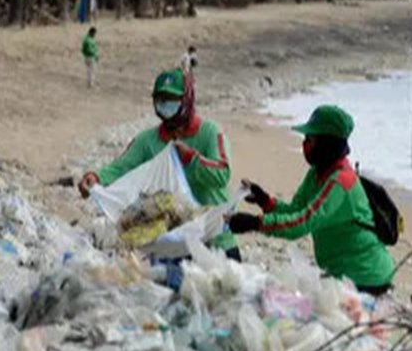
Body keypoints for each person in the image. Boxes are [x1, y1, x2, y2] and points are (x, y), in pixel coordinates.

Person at [228, 105, 395, 295]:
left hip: (366, 276)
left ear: (327, 145)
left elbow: (303, 222)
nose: (305, 145)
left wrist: (255, 223)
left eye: (311, 140)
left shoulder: (341, 183)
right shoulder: (317, 173)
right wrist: (266, 202)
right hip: (342, 273)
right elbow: (296, 210)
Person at [79, 67, 239, 259]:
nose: (165, 105)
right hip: (175, 243)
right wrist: (96, 178)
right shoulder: (149, 141)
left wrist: (192, 158)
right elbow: (122, 167)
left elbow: (222, 175)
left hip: (216, 238)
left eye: (172, 100)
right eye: (161, 99)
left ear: (187, 100)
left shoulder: (209, 132)